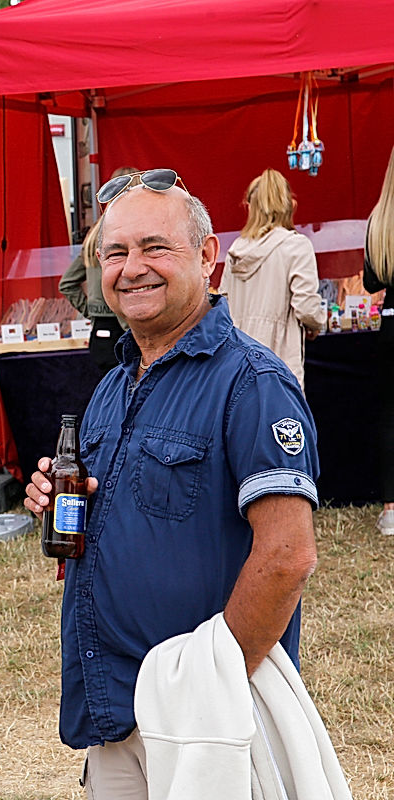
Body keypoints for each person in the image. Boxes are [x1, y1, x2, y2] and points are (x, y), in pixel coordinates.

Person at [23, 169, 319, 798]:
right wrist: (53, 504)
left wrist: (213, 684)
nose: (133, 268)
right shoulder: (112, 385)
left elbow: (289, 554)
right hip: (115, 706)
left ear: (208, 256)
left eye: (155, 247)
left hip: (204, 721)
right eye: (116, 252)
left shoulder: (252, 385)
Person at [219, 168, 325, 390]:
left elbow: (223, 306)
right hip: (279, 355)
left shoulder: (236, 250)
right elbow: (306, 307)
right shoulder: (296, 245)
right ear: (289, 205)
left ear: (250, 206)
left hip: (237, 358)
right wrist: (316, 323)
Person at [59, 166, 138, 373]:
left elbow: (67, 283)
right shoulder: (123, 232)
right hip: (126, 330)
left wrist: (92, 312)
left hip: (99, 333)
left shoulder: (94, 234)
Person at [363, 146, 394, 534]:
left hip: (390, 325)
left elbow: (372, 281)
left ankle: (390, 508)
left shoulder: (379, 219)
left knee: (390, 417)